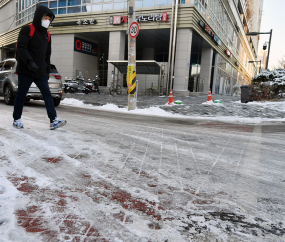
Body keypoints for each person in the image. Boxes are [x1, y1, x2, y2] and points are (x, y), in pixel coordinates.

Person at [13, 6, 66, 130]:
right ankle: (17, 119)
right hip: (26, 70)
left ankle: (53, 120)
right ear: (39, 17)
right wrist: (29, 62)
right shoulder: (27, 29)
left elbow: (47, 55)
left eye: (49, 19)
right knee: (21, 95)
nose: (47, 20)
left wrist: (47, 71)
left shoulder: (47, 35)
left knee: (47, 94)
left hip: (40, 71)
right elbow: (21, 47)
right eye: (45, 18)